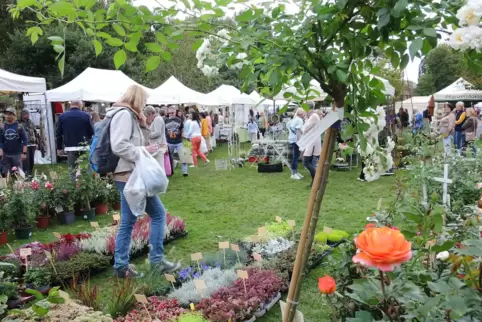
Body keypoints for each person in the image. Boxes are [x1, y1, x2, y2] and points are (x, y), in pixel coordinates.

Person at [109, 85, 180, 278]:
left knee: (129, 220)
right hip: (129, 174)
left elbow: (132, 141)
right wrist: (142, 152)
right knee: (157, 214)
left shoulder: (128, 115)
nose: (145, 104)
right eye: (144, 101)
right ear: (138, 99)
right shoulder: (123, 115)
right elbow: (119, 145)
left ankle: (122, 266)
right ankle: (155, 261)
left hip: (129, 173)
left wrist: (143, 126)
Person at [56, 100, 94, 178]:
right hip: (84, 146)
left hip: (70, 146)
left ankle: (73, 187)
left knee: (72, 170)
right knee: (86, 169)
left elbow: (58, 133)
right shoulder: (86, 116)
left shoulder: (63, 116)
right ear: (80, 105)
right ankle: (87, 187)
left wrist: (59, 147)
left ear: (71, 105)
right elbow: (92, 131)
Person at [0, 107, 28, 176]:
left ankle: (19, 186)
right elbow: (1, 141)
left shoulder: (19, 127)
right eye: (6, 114)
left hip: (17, 155)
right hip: (6, 155)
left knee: (19, 174)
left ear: (14, 115)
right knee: (5, 175)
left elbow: (25, 140)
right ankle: (7, 187)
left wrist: (24, 153)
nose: (7, 116)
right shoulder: (3, 127)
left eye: (9, 114)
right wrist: (0, 150)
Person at [301, 110, 322, 187]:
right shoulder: (315, 116)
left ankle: (317, 179)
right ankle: (314, 181)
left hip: (312, 141)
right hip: (313, 141)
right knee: (309, 162)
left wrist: (306, 120)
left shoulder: (313, 116)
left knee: (306, 162)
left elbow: (304, 129)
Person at [165, 108, 188, 176]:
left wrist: (183, 133)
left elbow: (182, 128)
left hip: (179, 141)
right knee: (169, 158)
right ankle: (170, 171)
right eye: (170, 113)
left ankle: (185, 172)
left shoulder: (179, 120)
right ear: (168, 113)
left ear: (175, 113)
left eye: (173, 112)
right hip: (169, 142)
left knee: (183, 156)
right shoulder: (165, 121)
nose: (171, 114)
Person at [144, 106, 167, 170]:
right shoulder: (157, 119)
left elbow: (158, 132)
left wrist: (147, 135)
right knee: (158, 165)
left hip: (159, 145)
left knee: (159, 166)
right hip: (159, 145)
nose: (146, 118)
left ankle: (161, 179)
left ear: (150, 113)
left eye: (147, 115)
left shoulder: (157, 119)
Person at [287, 108, 306, 180]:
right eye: (303, 113)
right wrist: (300, 141)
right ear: (300, 114)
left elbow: (289, 126)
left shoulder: (295, 119)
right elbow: (298, 131)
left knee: (296, 156)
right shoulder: (299, 120)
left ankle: (295, 172)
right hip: (296, 140)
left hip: (292, 139)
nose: (304, 115)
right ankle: (293, 174)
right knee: (295, 157)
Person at [19, 108, 39, 176]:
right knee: (25, 160)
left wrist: (37, 141)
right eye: (25, 114)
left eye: (28, 114)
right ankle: (26, 173)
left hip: (32, 144)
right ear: (22, 115)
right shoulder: (19, 123)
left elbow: (35, 132)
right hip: (24, 144)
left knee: (31, 160)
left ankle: (30, 172)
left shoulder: (31, 122)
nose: (27, 115)